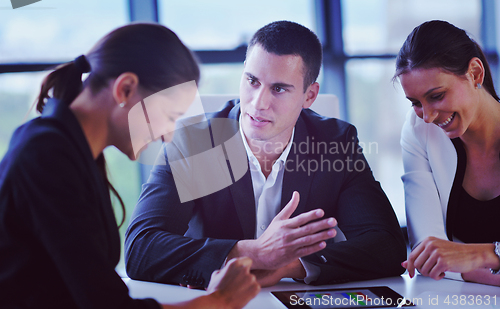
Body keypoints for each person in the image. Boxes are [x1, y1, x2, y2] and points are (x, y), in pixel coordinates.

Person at [125, 20, 406, 288]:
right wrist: (254, 253)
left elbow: (387, 246)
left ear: (309, 96)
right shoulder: (193, 143)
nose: (259, 103)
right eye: (252, 81)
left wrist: (289, 265)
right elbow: (140, 249)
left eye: (279, 88)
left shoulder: (336, 144)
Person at [0, 23, 260, 308]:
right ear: (125, 89)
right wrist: (218, 301)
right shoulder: (47, 155)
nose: (168, 134)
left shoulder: (74, 150)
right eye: (168, 115)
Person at [395, 20, 500, 287]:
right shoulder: (418, 129)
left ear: (475, 73)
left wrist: (483, 254)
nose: (428, 116)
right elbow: (430, 256)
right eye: (416, 103)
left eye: (437, 95)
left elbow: (446, 258)